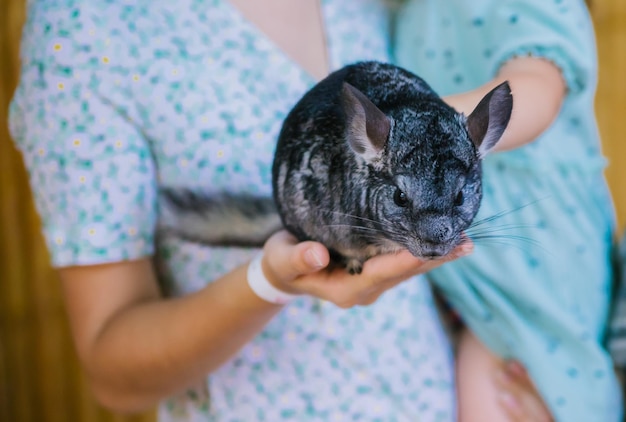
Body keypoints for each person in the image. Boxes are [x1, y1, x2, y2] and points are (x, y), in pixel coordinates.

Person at [9, 0, 551, 421]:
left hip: (433, 396)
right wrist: (269, 282)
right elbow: (113, 370)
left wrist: (503, 372)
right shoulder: (82, 28)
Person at [394, 1, 623, 421]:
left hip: (531, 264)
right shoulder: (409, 11)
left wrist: (419, 130)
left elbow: (535, 90)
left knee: (532, 388)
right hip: (469, 262)